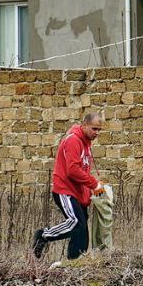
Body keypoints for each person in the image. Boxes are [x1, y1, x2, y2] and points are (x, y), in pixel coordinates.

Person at [32, 112, 106, 261]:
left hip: (78, 193)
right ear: (84, 125)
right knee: (76, 223)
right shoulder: (73, 141)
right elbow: (72, 170)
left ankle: (74, 264)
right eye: (94, 129)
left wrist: (91, 191)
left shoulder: (86, 143)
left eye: (99, 130)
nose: (97, 133)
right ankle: (43, 236)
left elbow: (83, 171)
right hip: (64, 190)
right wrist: (94, 183)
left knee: (82, 233)